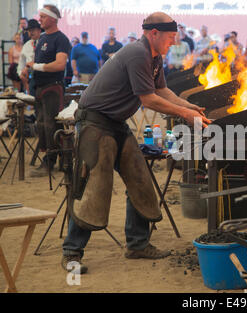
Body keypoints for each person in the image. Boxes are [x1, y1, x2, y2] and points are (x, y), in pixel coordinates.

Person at [61, 12, 211, 274]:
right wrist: (185, 114)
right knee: (93, 186)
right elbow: (148, 99)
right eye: (170, 37)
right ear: (154, 33)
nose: (173, 42)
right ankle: (71, 252)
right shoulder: (136, 53)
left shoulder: (154, 57)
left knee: (141, 179)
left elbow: (161, 90)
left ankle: (137, 245)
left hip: (116, 124)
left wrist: (188, 105)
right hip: (95, 123)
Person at [26, 5, 72, 177]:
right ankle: (52, 158)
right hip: (40, 86)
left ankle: (52, 160)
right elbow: (40, 62)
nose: (40, 20)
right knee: (42, 124)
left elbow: (60, 64)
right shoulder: (43, 38)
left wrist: (36, 66)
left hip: (53, 87)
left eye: (43, 17)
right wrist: (29, 69)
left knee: (52, 124)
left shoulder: (61, 39)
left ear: (53, 18)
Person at [17, 19, 42, 95]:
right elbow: (21, 63)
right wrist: (21, 74)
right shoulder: (26, 45)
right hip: (31, 79)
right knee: (32, 101)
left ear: (39, 30)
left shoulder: (44, 43)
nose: (31, 32)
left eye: (33, 30)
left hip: (43, 77)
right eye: (29, 30)